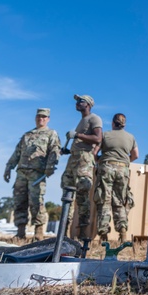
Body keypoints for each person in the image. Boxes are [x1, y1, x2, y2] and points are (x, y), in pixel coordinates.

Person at [4, 107, 61, 240]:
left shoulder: (51, 133)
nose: (41, 119)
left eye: (44, 117)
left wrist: (50, 166)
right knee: (19, 202)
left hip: (37, 173)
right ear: (36, 118)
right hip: (22, 173)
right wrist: (8, 167)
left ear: (48, 119)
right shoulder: (27, 135)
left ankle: (38, 232)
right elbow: (17, 152)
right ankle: (20, 232)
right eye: (39, 116)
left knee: (36, 202)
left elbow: (54, 150)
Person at [61, 94, 102, 244]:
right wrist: (68, 150)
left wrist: (77, 135)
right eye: (77, 101)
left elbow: (98, 138)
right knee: (67, 195)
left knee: (82, 195)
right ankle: (63, 233)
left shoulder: (94, 118)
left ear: (89, 104)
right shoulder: (82, 121)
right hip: (74, 159)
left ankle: (84, 235)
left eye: (80, 101)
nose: (77, 103)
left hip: (84, 160)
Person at [94, 113, 139, 243]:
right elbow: (136, 154)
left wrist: (99, 161)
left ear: (113, 123)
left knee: (104, 200)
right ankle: (123, 234)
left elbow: (94, 152)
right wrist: (125, 162)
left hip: (106, 168)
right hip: (123, 170)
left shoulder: (106, 135)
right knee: (120, 201)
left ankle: (103, 237)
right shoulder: (131, 137)